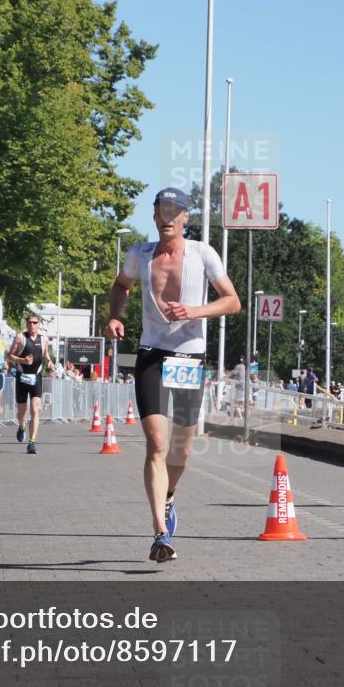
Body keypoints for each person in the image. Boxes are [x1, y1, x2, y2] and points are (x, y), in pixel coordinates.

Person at [104, 187, 241, 563]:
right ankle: (160, 533)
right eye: (161, 211)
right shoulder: (140, 254)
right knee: (156, 443)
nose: (167, 218)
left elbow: (233, 300)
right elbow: (121, 286)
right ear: (154, 217)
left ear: (184, 218)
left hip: (188, 357)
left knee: (181, 447)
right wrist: (116, 316)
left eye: (174, 211)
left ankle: (168, 496)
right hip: (151, 353)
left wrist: (195, 312)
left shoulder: (202, 254)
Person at [7, 314, 55, 454]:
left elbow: (45, 355)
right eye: (30, 323)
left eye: (35, 323)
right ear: (27, 324)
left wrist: (50, 362)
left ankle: (32, 442)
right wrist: (22, 361)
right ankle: (22, 426)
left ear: (39, 324)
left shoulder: (44, 339)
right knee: (22, 412)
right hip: (22, 378)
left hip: (36, 378)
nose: (32, 325)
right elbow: (9, 355)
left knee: (35, 409)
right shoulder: (20, 338)